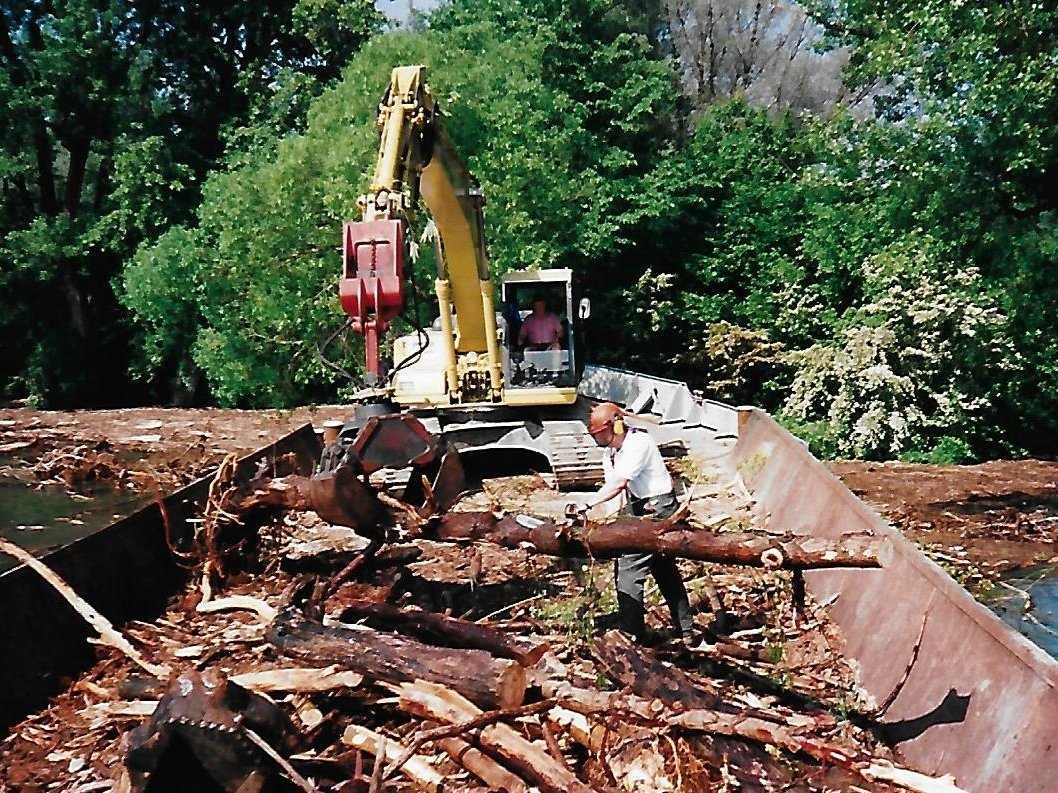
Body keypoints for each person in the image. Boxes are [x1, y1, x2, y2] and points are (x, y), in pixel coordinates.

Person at [579, 402, 694, 644]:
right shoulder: (610, 453)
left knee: (629, 567)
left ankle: (631, 635)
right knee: (664, 569)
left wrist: (586, 504)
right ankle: (687, 630)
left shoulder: (639, 443)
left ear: (616, 425)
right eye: (596, 434)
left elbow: (619, 483)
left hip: (659, 508)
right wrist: (603, 523)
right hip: (639, 506)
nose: (598, 438)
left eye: (602, 433)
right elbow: (614, 490)